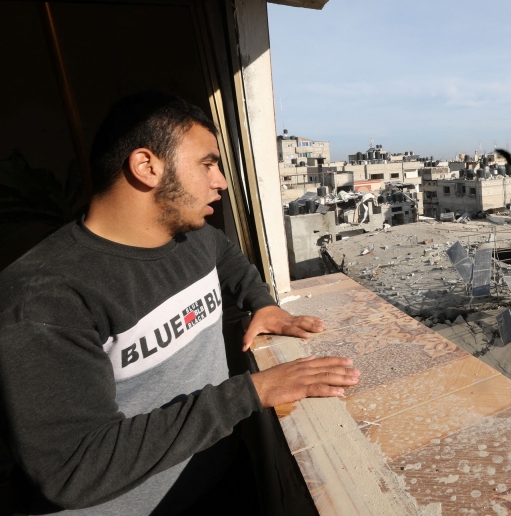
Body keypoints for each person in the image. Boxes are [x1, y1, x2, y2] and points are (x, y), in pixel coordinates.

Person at [0, 91, 360, 515]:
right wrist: (251, 392)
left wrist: (261, 302)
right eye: (208, 163)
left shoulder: (191, 237)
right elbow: (72, 468)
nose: (221, 180)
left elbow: (226, 257)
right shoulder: (45, 297)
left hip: (217, 480)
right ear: (146, 166)